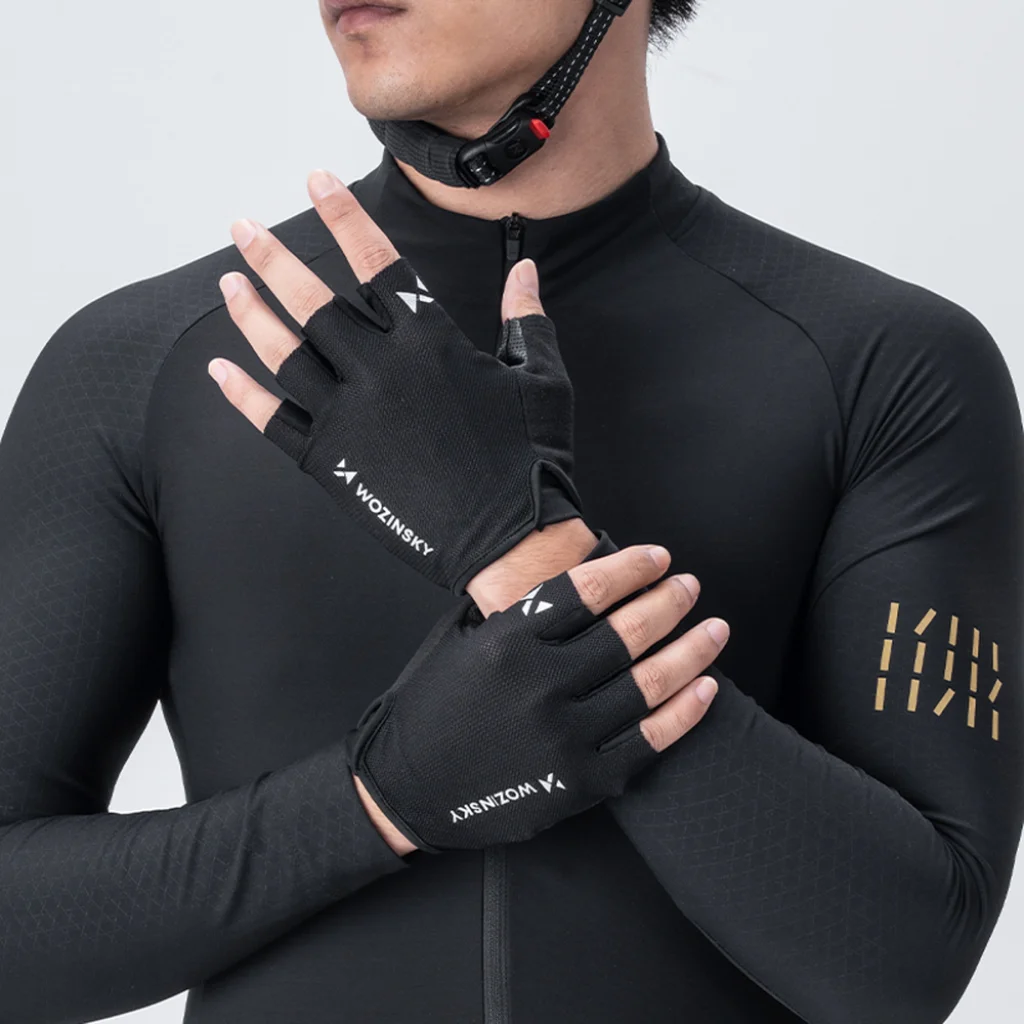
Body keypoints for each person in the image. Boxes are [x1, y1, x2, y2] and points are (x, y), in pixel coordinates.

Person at [1, 2, 1020, 1023]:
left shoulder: (887, 372)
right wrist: (377, 801)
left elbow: (902, 965)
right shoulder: (142, 368)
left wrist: (517, 547)